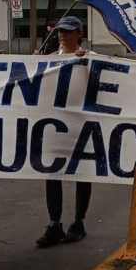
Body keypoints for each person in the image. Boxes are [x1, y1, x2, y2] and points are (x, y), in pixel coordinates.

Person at [36, 16, 93, 248]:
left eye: (68, 31)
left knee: (82, 174)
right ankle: (55, 223)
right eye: (60, 31)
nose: (63, 35)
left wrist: (86, 62)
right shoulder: (48, 60)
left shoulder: (90, 58)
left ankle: (78, 222)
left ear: (79, 33)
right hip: (55, 125)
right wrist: (31, 66)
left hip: (81, 124)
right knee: (53, 174)